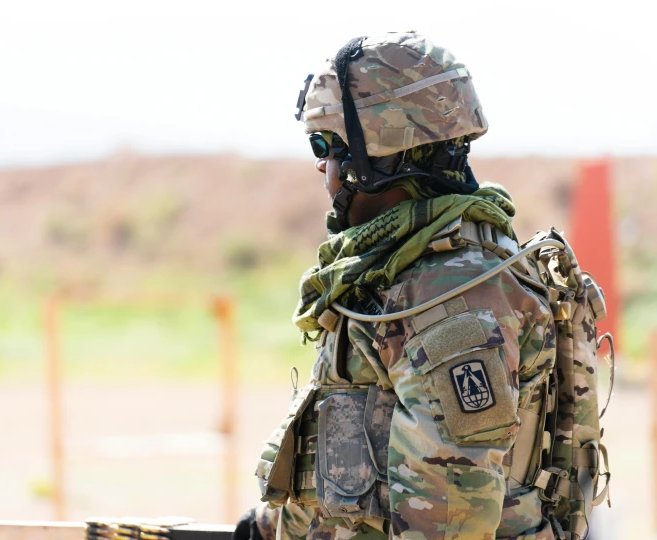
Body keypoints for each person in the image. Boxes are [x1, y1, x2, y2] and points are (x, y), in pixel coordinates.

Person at [236, 32, 560, 539]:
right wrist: (271, 526)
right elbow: (354, 447)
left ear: (377, 160)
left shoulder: (448, 297)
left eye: (327, 146)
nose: (322, 165)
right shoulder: (399, 276)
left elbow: (451, 521)